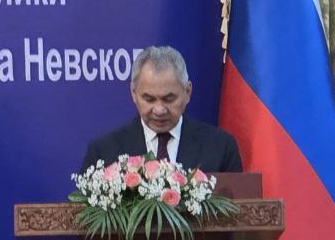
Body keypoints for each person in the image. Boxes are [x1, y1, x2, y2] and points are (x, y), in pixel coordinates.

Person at [82, 45, 242, 172]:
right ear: (133, 93)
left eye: (169, 99)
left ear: (187, 92)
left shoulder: (220, 148)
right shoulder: (103, 152)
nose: (159, 110)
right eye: (149, 99)